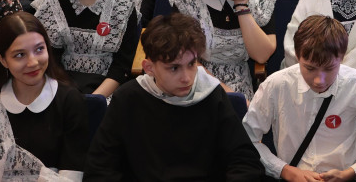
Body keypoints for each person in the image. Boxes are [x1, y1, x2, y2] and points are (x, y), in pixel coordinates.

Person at [84, 13, 265, 181]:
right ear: (149, 68)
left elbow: (245, 162)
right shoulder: (128, 98)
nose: (187, 78)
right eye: (174, 68)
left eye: (192, 64)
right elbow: (100, 167)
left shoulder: (212, 95)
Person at [244, 16, 356, 182]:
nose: (319, 80)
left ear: (342, 57)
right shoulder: (276, 85)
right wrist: (284, 170)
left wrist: (352, 172)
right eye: (310, 68)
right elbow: (247, 139)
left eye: (329, 68)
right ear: (297, 56)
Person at [0, 12, 88, 182]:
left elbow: (73, 173)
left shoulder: (70, 100)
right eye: (20, 55)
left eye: (39, 49)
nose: (33, 62)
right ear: (3, 60)